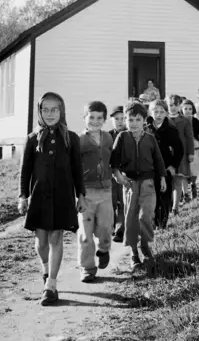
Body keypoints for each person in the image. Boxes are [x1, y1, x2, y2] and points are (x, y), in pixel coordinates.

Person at [18, 92, 86, 306]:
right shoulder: (31, 139)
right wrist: (23, 196)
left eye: (54, 109)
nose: (49, 113)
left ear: (61, 111)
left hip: (62, 195)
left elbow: (77, 169)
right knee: (40, 242)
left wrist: (81, 195)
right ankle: (46, 270)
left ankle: (52, 286)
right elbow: (25, 170)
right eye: (45, 109)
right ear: (39, 112)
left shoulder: (71, 138)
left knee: (56, 238)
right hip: (39, 195)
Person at [109, 101, 166, 270]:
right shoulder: (122, 137)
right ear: (126, 121)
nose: (133, 123)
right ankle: (134, 253)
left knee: (146, 216)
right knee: (131, 218)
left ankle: (146, 246)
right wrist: (118, 176)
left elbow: (158, 160)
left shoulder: (150, 138)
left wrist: (162, 177)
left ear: (144, 121)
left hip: (148, 183)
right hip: (130, 183)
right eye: (130, 120)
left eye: (137, 120)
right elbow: (114, 161)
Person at [77, 100, 114, 283]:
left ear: (105, 119)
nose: (95, 121)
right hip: (86, 193)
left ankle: (104, 249)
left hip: (106, 191)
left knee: (105, 228)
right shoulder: (79, 141)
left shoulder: (108, 138)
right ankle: (87, 267)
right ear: (84, 118)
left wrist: (119, 176)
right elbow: (74, 168)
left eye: (100, 118)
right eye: (91, 117)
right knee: (85, 233)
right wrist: (78, 194)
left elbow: (112, 162)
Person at [146, 99, 183, 229]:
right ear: (150, 112)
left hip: (166, 168)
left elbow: (179, 150)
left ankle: (162, 223)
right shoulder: (146, 129)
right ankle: (152, 222)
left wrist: (173, 166)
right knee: (151, 196)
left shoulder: (171, 130)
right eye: (156, 111)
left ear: (166, 113)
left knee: (164, 196)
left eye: (162, 111)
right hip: (149, 169)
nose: (159, 114)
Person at [166, 93, 194, 215]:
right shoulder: (163, 119)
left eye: (175, 105)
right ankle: (167, 204)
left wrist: (191, 153)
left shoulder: (185, 120)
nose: (173, 108)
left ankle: (175, 207)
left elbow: (189, 137)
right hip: (166, 154)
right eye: (170, 105)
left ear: (179, 106)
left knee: (178, 180)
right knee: (168, 181)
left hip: (180, 154)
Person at [180, 99, 199, 199]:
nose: (187, 111)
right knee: (183, 172)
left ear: (193, 110)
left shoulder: (196, 122)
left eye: (190, 109)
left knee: (194, 171)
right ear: (181, 109)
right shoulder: (178, 122)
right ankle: (185, 193)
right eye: (185, 108)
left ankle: (194, 185)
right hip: (182, 150)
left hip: (195, 149)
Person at [108, 105, 126, 242]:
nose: (120, 121)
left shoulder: (128, 134)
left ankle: (120, 231)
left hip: (124, 174)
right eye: (116, 119)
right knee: (111, 203)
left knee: (123, 203)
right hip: (110, 175)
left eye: (123, 118)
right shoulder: (107, 136)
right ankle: (112, 227)